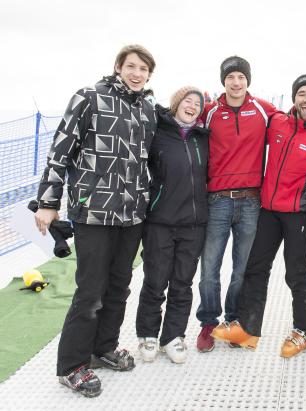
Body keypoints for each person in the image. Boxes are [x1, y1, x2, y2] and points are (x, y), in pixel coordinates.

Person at [34, 44, 157, 397]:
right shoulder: (90, 97)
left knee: (119, 287)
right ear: (118, 67)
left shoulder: (147, 109)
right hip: (94, 212)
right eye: (131, 66)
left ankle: (103, 348)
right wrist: (48, 202)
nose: (136, 74)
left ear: (149, 75)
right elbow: (60, 150)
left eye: (143, 70)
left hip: (132, 213)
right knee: (90, 291)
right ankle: (72, 365)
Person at [209, 74, 306, 358]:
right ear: (294, 98)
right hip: (268, 210)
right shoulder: (276, 122)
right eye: (301, 93)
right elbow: (246, 107)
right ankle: (247, 328)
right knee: (255, 267)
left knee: (296, 271)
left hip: (297, 216)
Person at [195, 56, 276, 352]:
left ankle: (234, 320)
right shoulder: (210, 112)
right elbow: (183, 119)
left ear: (248, 80)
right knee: (209, 268)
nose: (236, 82)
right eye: (231, 77)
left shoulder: (263, 110)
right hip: (218, 200)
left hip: (251, 202)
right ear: (223, 81)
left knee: (242, 268)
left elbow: (292, 124)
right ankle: (208, 322)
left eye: (241, 77)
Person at [135, 86, 208, 364]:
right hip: (161, 222)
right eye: (187, 101)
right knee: (155, 281)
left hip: (193, 224)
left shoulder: (203, 138)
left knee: (182, 283)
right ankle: (148, 334)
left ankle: (173, 336)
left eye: (197, 104)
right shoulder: (158, 133)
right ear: (176, 104)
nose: (192, 106)